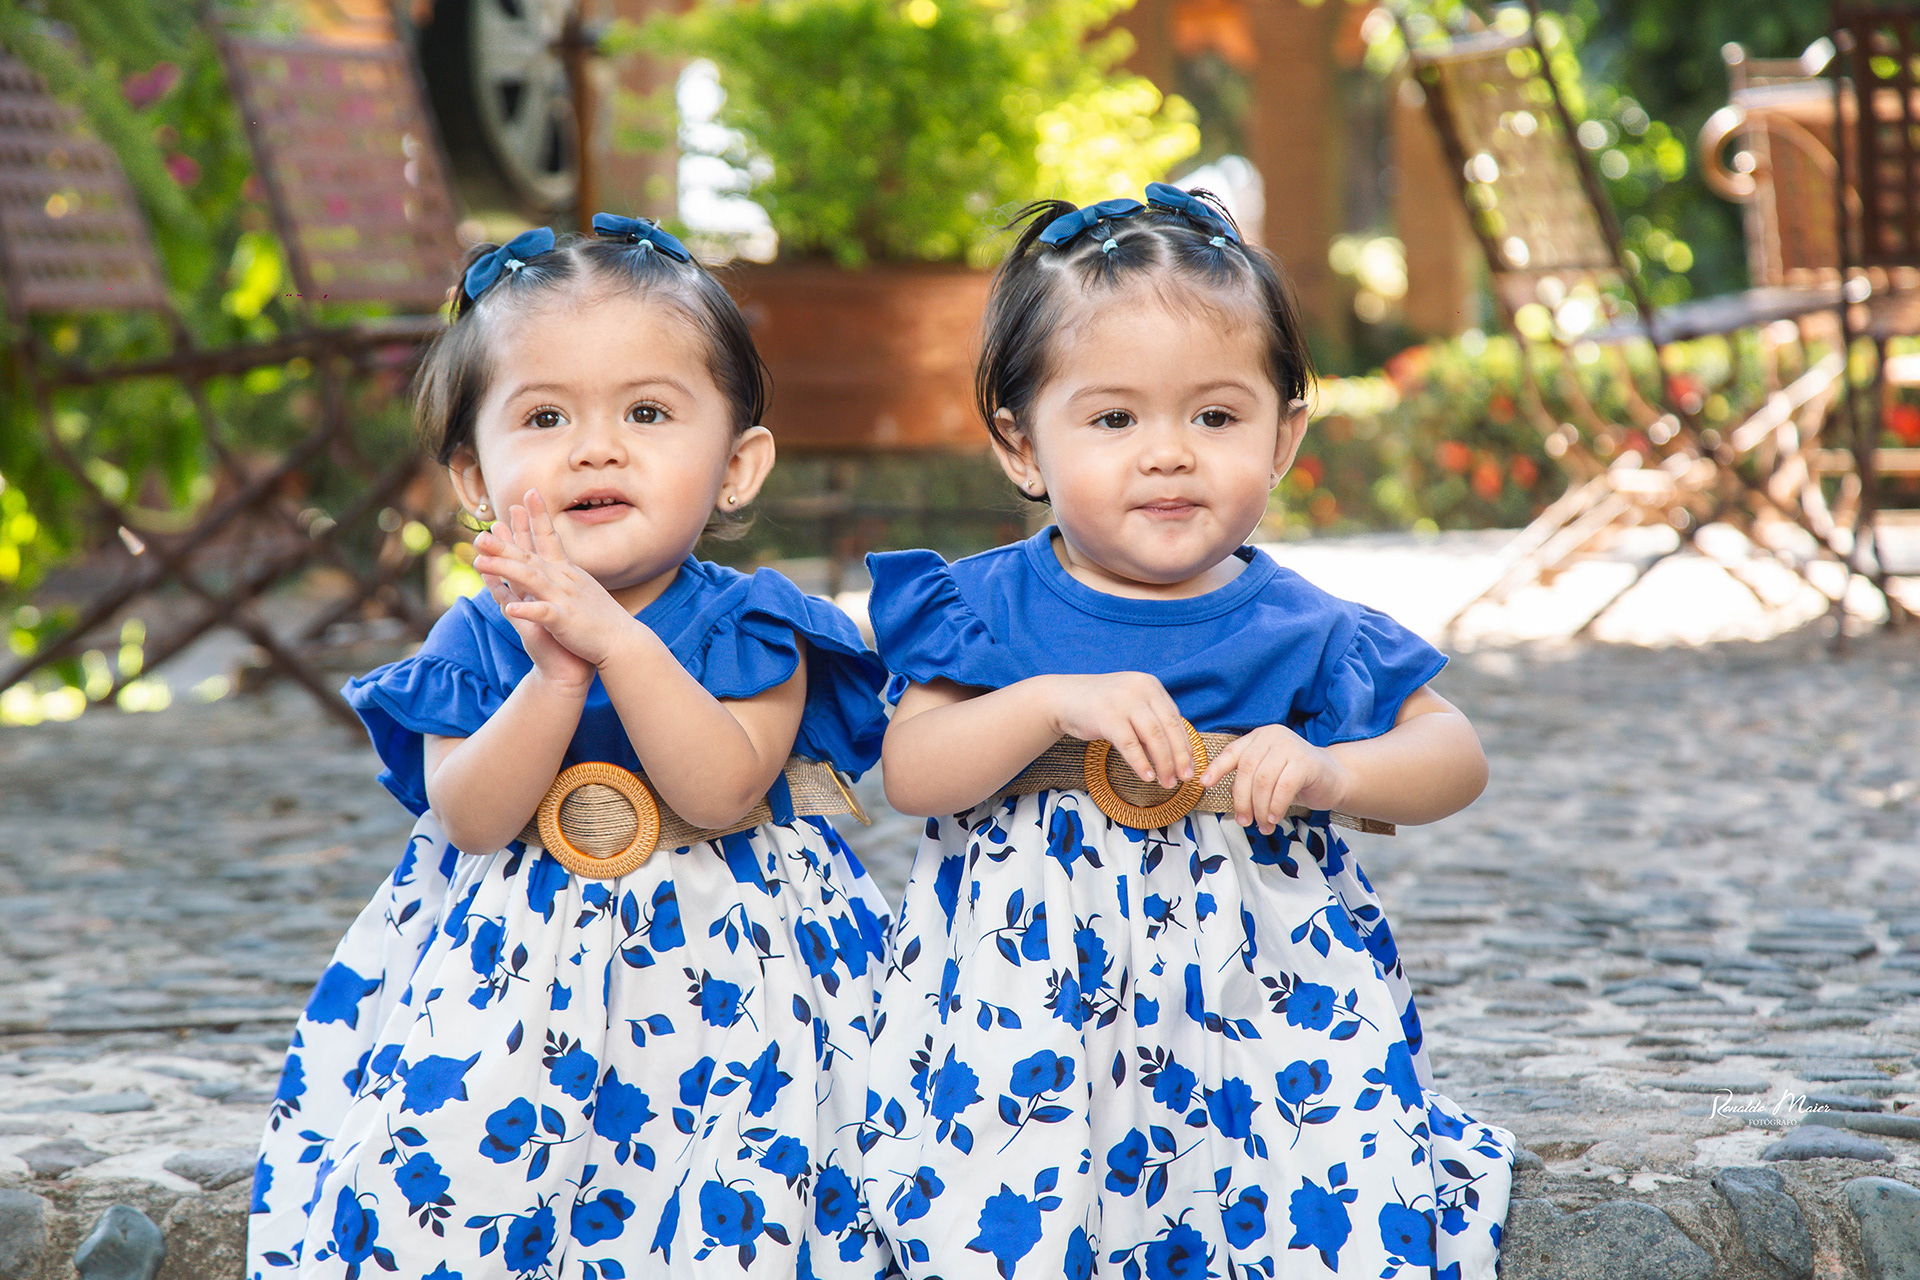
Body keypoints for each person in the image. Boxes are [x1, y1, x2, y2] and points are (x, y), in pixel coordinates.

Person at [858, 186, 1514, 1279]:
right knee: (1014, 1214)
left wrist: (1328, 766)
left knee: (1300, 1208)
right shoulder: (987, 611)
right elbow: (913, 773)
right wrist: (1045, 702)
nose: (1168, 454)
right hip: (1034, 1000)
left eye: (1215, 417)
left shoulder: (1301, 626)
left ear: (1283, 434)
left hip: (1259, 997)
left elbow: (1455, 757)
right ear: (1023, 446)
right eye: (1114, 420)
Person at [247, 216, 897, 1280]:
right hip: (514, 977)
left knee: (733, 1190)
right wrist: (553, 676)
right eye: (545, 416)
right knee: (462, 1186)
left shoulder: (755, 627)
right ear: (474, 480)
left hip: (734, 976)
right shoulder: (476, 637)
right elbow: (468, 816)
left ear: (737, 467)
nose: (597, 448)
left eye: (648, 412)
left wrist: (617, 645)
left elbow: (722, 788)